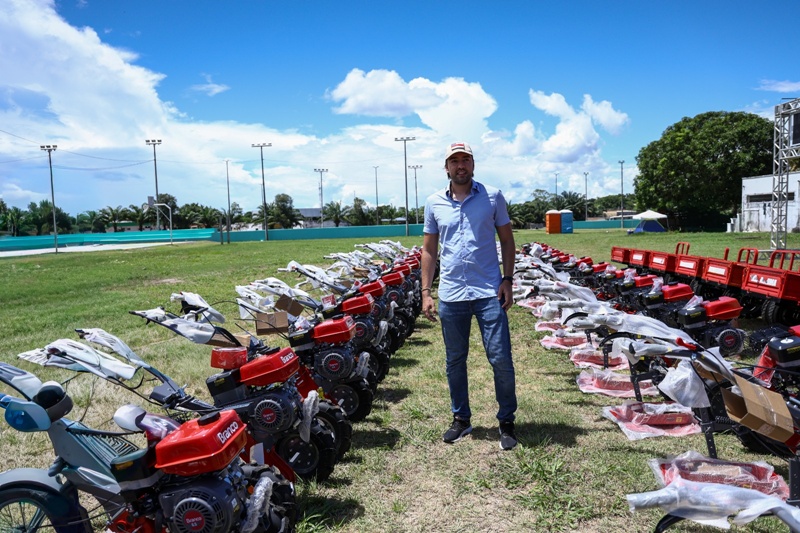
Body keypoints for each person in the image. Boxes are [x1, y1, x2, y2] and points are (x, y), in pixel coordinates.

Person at [420, 141, 518, 450]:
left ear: (473, 165)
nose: (460, 165)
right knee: (455, 360)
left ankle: (506, 421)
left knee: (500, 357)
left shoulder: (492, 197)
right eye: (454, 161)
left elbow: (507, 240)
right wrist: (426, 291)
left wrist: (507, 279)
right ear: (446, 167)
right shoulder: (433, 202)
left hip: (489, 291)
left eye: (466, 159)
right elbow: (429, 250)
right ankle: (461, 420)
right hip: (451, 293)